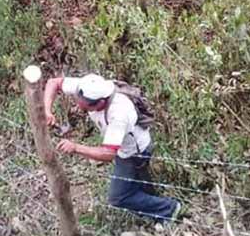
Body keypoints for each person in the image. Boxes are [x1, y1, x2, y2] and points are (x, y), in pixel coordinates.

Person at [44, 73, 181, 222]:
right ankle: (156, 214)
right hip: (122, 146)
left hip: (134, 152)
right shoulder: (88, 86)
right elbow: (54, 83)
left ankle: (169, 208)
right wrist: (47, 111)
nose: (78, 105)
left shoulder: (119, 113)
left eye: (83, 106)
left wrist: (76, 147)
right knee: (139, 182)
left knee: (118, 197)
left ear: (100, 103)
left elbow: (108, 153)